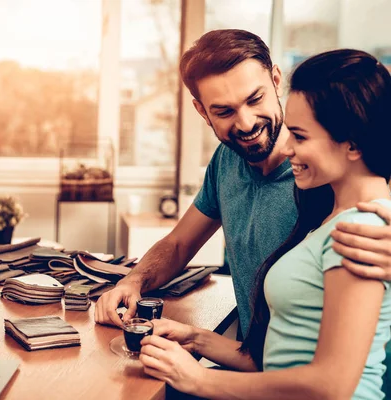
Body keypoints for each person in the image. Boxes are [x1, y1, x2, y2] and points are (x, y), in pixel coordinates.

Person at [94, 29, 391, 338]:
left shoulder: (330, 169)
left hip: (307, 378)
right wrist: (133, 280)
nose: (246, 123)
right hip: (252, 364)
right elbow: (179, 243)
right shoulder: (225, 161)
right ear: (202, 112)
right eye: (224, 111)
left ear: (276, 80)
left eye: (255, 99)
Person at [139, 49, 391, 399]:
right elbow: (283, 359)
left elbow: (331, 386)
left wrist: (199, 379)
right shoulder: (331, 216)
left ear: (352, 142)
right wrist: (195, 338)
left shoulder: (362, 231)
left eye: (300, 136)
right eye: (224, 110)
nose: (287, 147)